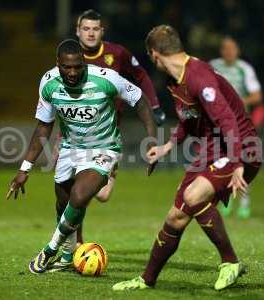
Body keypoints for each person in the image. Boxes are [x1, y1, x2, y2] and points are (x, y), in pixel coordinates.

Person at [112, 25, 262, 291]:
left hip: (240, 146)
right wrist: (168, 145)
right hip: (212, 149)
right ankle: (147, 280)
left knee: (193, 197)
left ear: (154, 54)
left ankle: (231, 262)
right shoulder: (175, 80)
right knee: (175, 218)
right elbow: (188, 119)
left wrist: (238, 163)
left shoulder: (199, 77)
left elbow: (228, 121)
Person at [6, 39, 157, 274]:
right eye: (68, 67)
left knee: (79, 196)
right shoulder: (48, 83)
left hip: (104, 148)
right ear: (58, 64)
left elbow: (140, 100)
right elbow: (43, 127)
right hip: (70, 149)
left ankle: (49, 250)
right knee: (63, 203)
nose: (73, 72)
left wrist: (152, 141)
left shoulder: (106, 78)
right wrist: (24, 169)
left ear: (84, 62)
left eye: (78, 66)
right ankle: (67, 256)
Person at [56, 9, 165, 245]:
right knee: (76, 193)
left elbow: (141, 76)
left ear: (102, 31)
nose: (91, 33)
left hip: (107, 135)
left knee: (102, 195)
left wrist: (154, 106)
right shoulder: (69, 58)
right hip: (74, 135)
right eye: (86, 28)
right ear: (77, 31)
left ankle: (104, 175)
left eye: (95, 29)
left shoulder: (117, 54)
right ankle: (77, 244)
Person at [210, 36, 263, 219]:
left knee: (244, 159)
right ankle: (226, 199)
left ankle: (244, 203)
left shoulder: (244, 69)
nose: (229, 51)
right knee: (223, 160)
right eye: (225, 48)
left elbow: (257, 96)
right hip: (220, 122)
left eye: (232, 48)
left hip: (240, 122)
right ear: (221, 51)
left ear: (237, 50)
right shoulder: (214, 66)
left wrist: (238, 102)